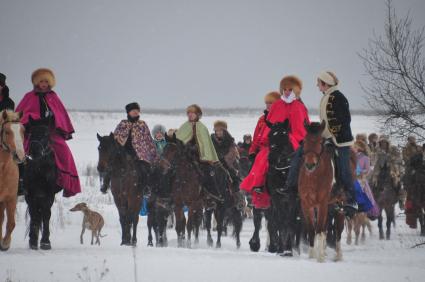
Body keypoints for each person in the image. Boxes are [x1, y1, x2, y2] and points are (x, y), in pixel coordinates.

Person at [16, 68, 81, 197]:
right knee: (20, 152)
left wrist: (54, 120)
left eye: (46, 81)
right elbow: (21, 114)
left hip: (50, 131)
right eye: (41, 81)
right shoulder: (29, 96)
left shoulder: (53, 96)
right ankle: (20, 181)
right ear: (36, 82)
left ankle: (64, 181)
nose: (44, 84)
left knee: (64, 151)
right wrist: (29, 121)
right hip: (32, 132)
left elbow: (60, 114)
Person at [100, 102, 158, 194]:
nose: (135, 112)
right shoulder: (123, 123)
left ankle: (146, 187)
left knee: (145, 167)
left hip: (139, 152)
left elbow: (148, 139)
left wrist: (152, 152)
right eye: (133, 111)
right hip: (123, 150)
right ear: (128, 112)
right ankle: (105, 184)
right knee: (112, 163)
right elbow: (116, 137)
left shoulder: (142, 124)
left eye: (137, 111)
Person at [239, 91, 280, 210]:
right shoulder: (262, 119)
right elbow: (256, 136)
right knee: (258, 160)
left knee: (265, 160)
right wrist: (252, 151)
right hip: (264, 148)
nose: (268, 106)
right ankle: (258, 186)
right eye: (267, 103)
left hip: (276, 146)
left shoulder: (281, 117)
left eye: (271, 103)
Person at [175, 104, 224, 199]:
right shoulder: (184, 126)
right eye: (188, 113)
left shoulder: (202, 127)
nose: (190, 115)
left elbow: (205, 144)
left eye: (192, 113)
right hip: (185, 154)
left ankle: (212, 193)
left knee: (207, 172)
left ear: (197, 114)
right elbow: (178, 140)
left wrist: (195, 148)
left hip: (199, 156)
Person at [211, 120, 241, 192]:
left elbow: (233, 152)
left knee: (232, 173)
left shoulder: (229, 140)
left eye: (220, 130)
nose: (218, 132)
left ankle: (235, 190)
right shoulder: (211, 140)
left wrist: (223, 160)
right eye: (217, 130)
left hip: (226, 162)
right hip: (213, 162)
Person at [354, 140, 379, 219]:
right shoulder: (351, 156)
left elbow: (367, 170)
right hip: (352, 176)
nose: (354, 147)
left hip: (360, 178)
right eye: (354, 146)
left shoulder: (365, 158)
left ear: (361, 147)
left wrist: (360, 172)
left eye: (356, 146)